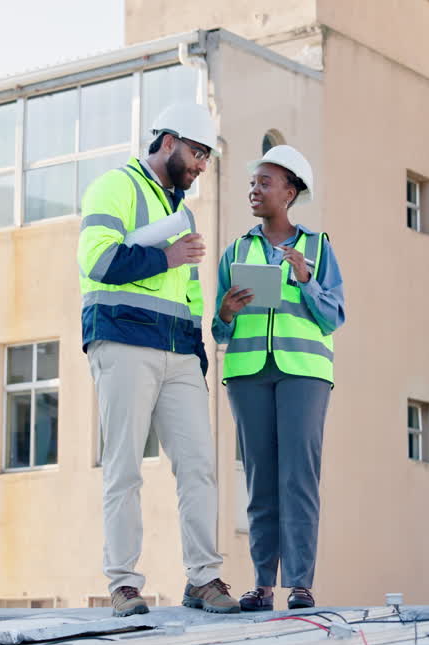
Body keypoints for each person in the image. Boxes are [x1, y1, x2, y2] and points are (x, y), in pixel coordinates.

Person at [77, 103, 240, 617]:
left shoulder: (182, 213)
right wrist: (166, 256)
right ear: (168, 142)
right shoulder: (114, 187)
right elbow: (98, 261)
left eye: (207, 159)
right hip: (122, 342)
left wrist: (195, 354)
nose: (200, 167)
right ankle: (124, 584)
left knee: (199, 466)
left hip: (178, 355)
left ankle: (204, 579)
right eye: (197, 154)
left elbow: (189, 294)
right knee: (123, 468)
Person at [213, 145, 346, 611]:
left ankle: (301, 584)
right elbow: (218, 328)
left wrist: (306, 279)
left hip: (303, 375)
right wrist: (225, 313)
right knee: (259, 480)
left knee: (298, 479)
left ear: (289, 193)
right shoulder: (236, 250)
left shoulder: (317, 247)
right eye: (252, 183)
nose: (254, 189)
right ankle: (262, 585)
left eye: (264, 183)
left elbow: (334, 316)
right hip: (249, 373)